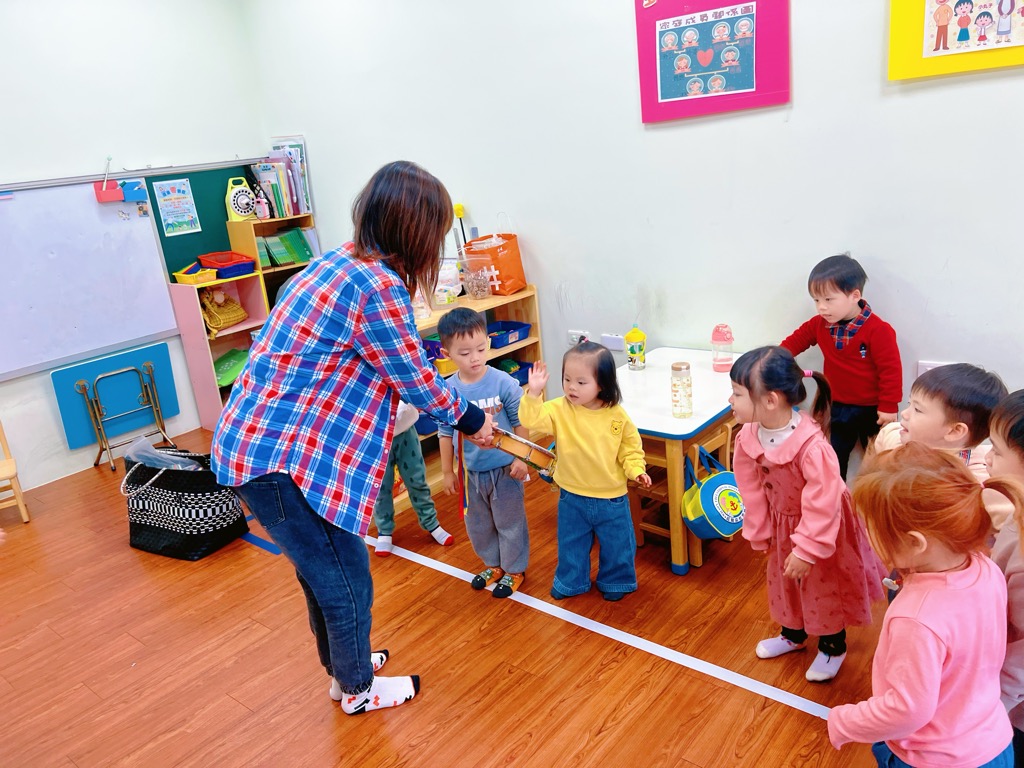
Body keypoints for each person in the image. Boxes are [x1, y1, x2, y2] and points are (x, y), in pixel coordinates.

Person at [210, 161, 493, 715]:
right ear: (415, 231)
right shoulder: (378, 286)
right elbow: (416, 379)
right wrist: (471, 421)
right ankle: (359, 689)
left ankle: (345, 670)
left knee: (322, 572)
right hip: (279, 461)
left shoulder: (337, 261)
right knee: (344, 576)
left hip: (256, 446)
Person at [828, 443, 1019, 767]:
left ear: (915, 542)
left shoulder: (916, 618)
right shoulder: (985, 569)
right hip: (994, 743)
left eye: (870, 528)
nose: (867, 537)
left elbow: (907, 709)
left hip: (933, 758)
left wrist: (844, 721)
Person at [729, 346, 884, 682]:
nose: (731, 400)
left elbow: (823, 504)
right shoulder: (748, 436)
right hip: (782, 522)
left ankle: (832, 646)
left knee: (823, 586)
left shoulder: (812, 448)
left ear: (770, 400)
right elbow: (750, 487)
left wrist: (808, 549)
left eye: (737, 394)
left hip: (822, 528)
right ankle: (793, 635)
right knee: (784, 581)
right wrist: (760, 529)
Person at [520, 341, 652, 602]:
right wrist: (533, 394)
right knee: (571, 543)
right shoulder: (559, 409)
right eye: (567, 379)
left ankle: (616, 581)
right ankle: (571, 581)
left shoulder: (617, 415)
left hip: (611, 497)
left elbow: (630, 449)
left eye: (581, 382)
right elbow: (530, 420)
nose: (572, 387)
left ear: (602, 384)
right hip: (571, 495)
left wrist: (636, 470)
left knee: (617, 544)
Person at [780, 253, 903, 481]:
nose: (821, 307)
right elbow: (797, 340)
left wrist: (889, 405)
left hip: (872, 409)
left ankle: (875, 496)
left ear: (855, 296)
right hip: (836, 405)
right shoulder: (819, 325)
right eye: (816, 300)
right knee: (834, 456)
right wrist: (776, 357)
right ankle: (834, 495)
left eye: (828, 299)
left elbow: (891, 370)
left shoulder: (879, 330)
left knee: (879, 459)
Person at [437, 307, 531, 599]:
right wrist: (447, 471)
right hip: (470, 473)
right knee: (478, 524)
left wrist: (522, 458)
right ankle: (493, 565)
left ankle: (514, 569)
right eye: (465, 353)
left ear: (488, 342)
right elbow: (445, 432)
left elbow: (521, 421)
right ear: (446, 354)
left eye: (480, 348)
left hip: (505, 469)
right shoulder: (448, 390)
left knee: (509, 522)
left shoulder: (503, 382)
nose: (475, 358)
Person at [873, 363, 1010, 530]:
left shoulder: (975, 480)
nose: (904, 413)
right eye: (909, 403)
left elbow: (1009, 521)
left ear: (954, 431)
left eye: (917, 409)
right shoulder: (893, 439)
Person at [986, 391, 1024, 764]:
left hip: (1011, 707)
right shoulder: (1017, 513)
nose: (986, 457)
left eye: (996, 451)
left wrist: (990, 704)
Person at [369, 400, 454, 557]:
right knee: (380, 487)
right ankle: (384, 530)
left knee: (417, 480)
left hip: (405, 429)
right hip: (375, 436)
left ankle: (431, 523)